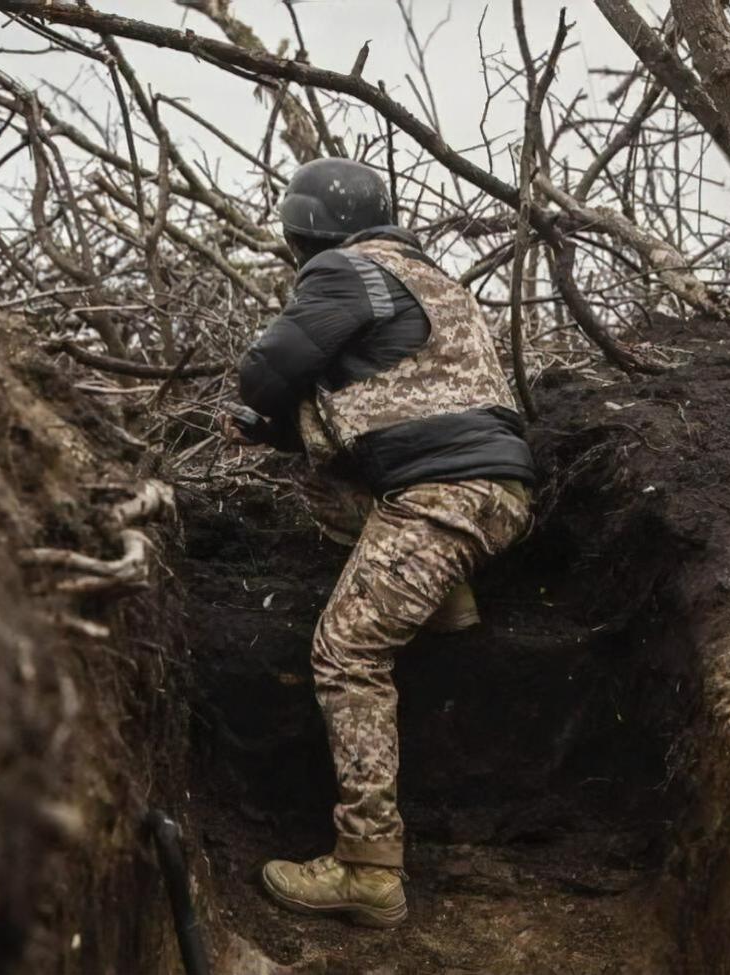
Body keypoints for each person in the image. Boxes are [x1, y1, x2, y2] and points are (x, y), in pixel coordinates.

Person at [225, 158, 536, 928]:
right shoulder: (432, 279)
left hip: (442, 498)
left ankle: (367, 867)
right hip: (495, 489)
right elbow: (399, 406)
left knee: (347, 652)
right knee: (323, 460)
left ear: (302, 233)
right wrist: (291, 430)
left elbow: (263, 371)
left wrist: (270, 408)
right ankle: (445, 596)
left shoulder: (345, 270)